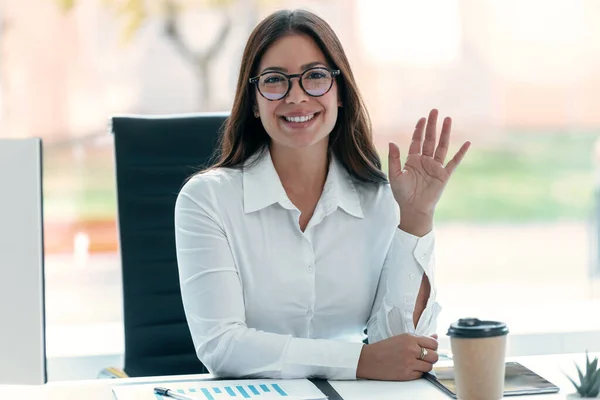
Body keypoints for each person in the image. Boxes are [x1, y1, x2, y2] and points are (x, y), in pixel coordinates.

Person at [174, 9, 470, 381]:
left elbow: (402, 346)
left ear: (341, 91)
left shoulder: (381, 198)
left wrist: (416, 218)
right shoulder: (207, 200)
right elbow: (222, 345)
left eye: (315, 76)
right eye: (274, 80)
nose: (296, 97)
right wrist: (358, 361)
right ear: (253, 101)